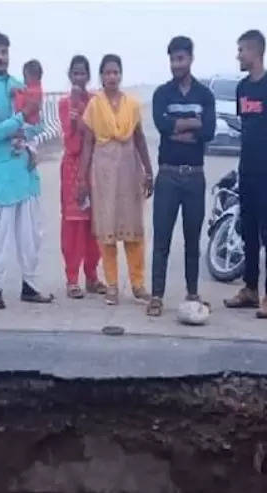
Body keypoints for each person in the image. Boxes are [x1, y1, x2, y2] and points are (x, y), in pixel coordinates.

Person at [0, 30, 53, 308]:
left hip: (26, 173)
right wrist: (21, 118)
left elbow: (40, 124)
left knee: (31, 234)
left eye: (4, 52)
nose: (1, 57)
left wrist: (22, 124)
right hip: (1, 176)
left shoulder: (21, 84)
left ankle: (30, 286)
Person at [223, 29, 267, 319]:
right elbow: (246, 126)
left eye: (242, 50)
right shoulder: (242, 88)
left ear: (256, 52)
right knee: (248, 230)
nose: (238, 55)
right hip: (246, 169)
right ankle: (250, 289)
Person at [77, 54, 154, 306]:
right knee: (106, 229)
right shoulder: (94, 105)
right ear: (101, 76)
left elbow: (140, 138)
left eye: (116, 72)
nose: (112, 77)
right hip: (104, 172)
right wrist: (81, 180)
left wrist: (149, 171)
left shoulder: (132, 104)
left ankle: (138, 284)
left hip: (129, 171)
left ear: (121, 75)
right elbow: (87, 143)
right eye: (107, 72)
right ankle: (111, 285)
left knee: (134, 230)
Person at [148, 35, 215, 317]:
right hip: (168, 175)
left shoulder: (204, 95)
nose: (177, 64)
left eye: (181, 59)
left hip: (194, 176)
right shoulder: (162, 93)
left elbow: (209, 131)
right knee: (162, 238)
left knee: (192, 238)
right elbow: (162, 125)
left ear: (190, 59)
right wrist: (191, 125)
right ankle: (156, 296)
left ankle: (192, 292)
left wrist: (180, 127)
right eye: (173, 59)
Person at [57, 55, 104, 299]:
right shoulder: (65, 104)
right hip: (73, 169)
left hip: (94, 166)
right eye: (75, 73)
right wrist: (76, 119)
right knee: (74, 225)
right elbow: (71, 143)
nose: (79, 78)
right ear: (70, 76)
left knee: (93, 225)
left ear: (88, 75)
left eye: (83, 73)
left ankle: (92, 276)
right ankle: (72, 278)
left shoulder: (96, 101)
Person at [10, 60, 43, 155]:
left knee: (22, 138)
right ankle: (27, 150)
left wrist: (16, 92)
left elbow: (29, 106)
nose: (24, 79)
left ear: (34, 77)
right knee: (25, 139)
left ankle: (29, 151)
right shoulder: (29, 89)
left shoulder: (35, 91)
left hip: (30, 124)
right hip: (27, 123)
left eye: (26, 76)